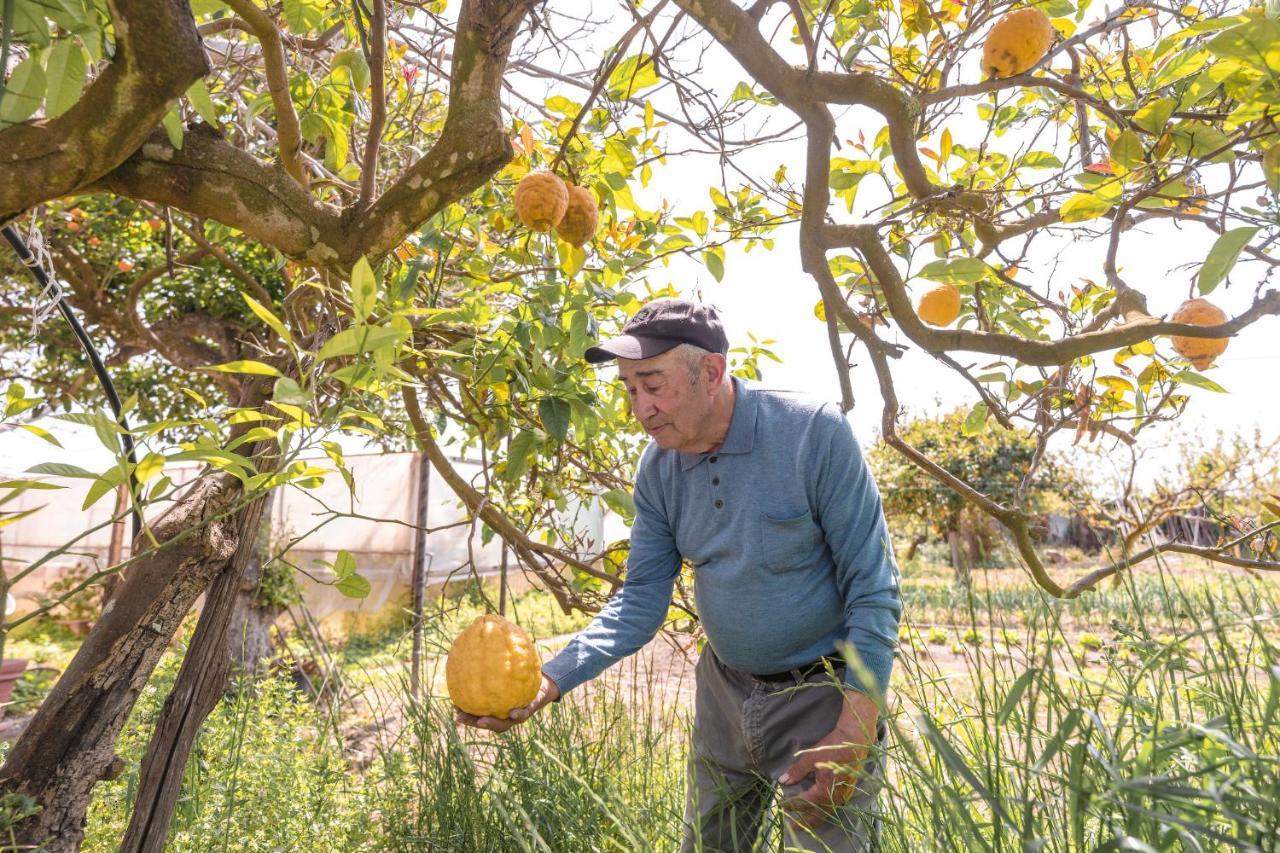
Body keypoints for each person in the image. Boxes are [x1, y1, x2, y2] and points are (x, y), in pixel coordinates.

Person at [454, 297, 902, 852]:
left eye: (653, 384)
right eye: (629, 389)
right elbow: (641, 599)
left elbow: (874, 590)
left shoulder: (812, 433)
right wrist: (548, 680)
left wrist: (853, 730)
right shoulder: (659, 468)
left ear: (710, 372)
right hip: (725, 695)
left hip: (823, 692)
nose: (641, 408)